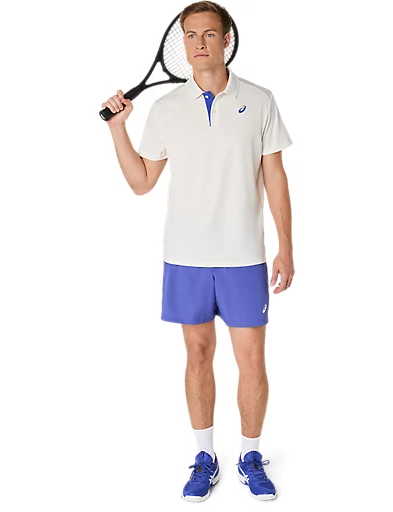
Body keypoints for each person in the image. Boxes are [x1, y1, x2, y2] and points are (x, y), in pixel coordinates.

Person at [101, 1, 294, 502]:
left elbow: (275, 175)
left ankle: (251, 455)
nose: (199, 43)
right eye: (190, 35)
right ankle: (205, 457)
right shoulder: (166, 109)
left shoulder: (260, 100)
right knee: (198, 354)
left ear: (226, 40)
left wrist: (286, 246)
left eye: (209, 34)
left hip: (243, 256)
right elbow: (142, 182)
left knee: (252, 361)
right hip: (185, 256)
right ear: (181, 42)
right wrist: (118, 129)